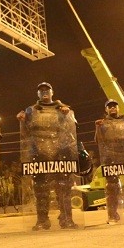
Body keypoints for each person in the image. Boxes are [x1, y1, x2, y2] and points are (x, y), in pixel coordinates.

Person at [17, 82, 79, 230]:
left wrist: (66, 115)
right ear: (37, 94)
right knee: (41, 190)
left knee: (64, 188)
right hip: (39, 154)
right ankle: (42, 220)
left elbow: (71, 131)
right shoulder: (31, 110)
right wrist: (22, 120)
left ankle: (66, 219)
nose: (44, 92)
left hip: (60, 153)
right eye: (41, 90)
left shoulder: (65, 109)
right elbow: (26, 134)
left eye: (47, 89)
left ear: (52, 92)